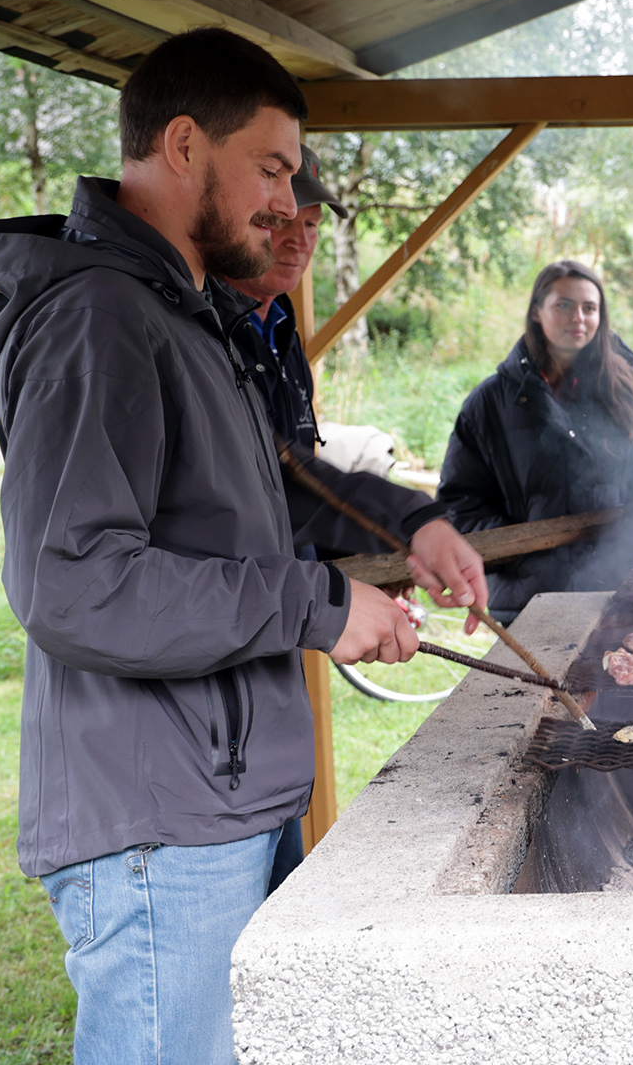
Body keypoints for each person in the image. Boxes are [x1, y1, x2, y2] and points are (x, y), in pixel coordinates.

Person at [0, 27, 484, 1065]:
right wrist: (321, 610)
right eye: (273, 168)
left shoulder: (183, 313)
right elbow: (76, 585)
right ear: (185, 145)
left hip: (219, 795)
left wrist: (409, 522)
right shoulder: (99, 323)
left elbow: (270, 489)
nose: (287, 203)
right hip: (158, 824)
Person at [222, 143, 481, 892]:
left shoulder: (273, 337)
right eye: (280, 217)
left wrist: (412, 528)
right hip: (189, 757)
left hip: (257, 714)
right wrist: (328, 598)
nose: (298, 237)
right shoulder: (199, 332)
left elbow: (292, 487)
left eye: (309, 221)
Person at [438, 260, 633, 622]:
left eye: (590, 308)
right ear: (536, 312)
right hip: (527, 604)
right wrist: (524, 551)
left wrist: (619, 545)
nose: (579, 318)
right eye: (564, 305)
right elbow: (460, 505)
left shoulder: (631, 395)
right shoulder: (491, 403)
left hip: (618, 597)